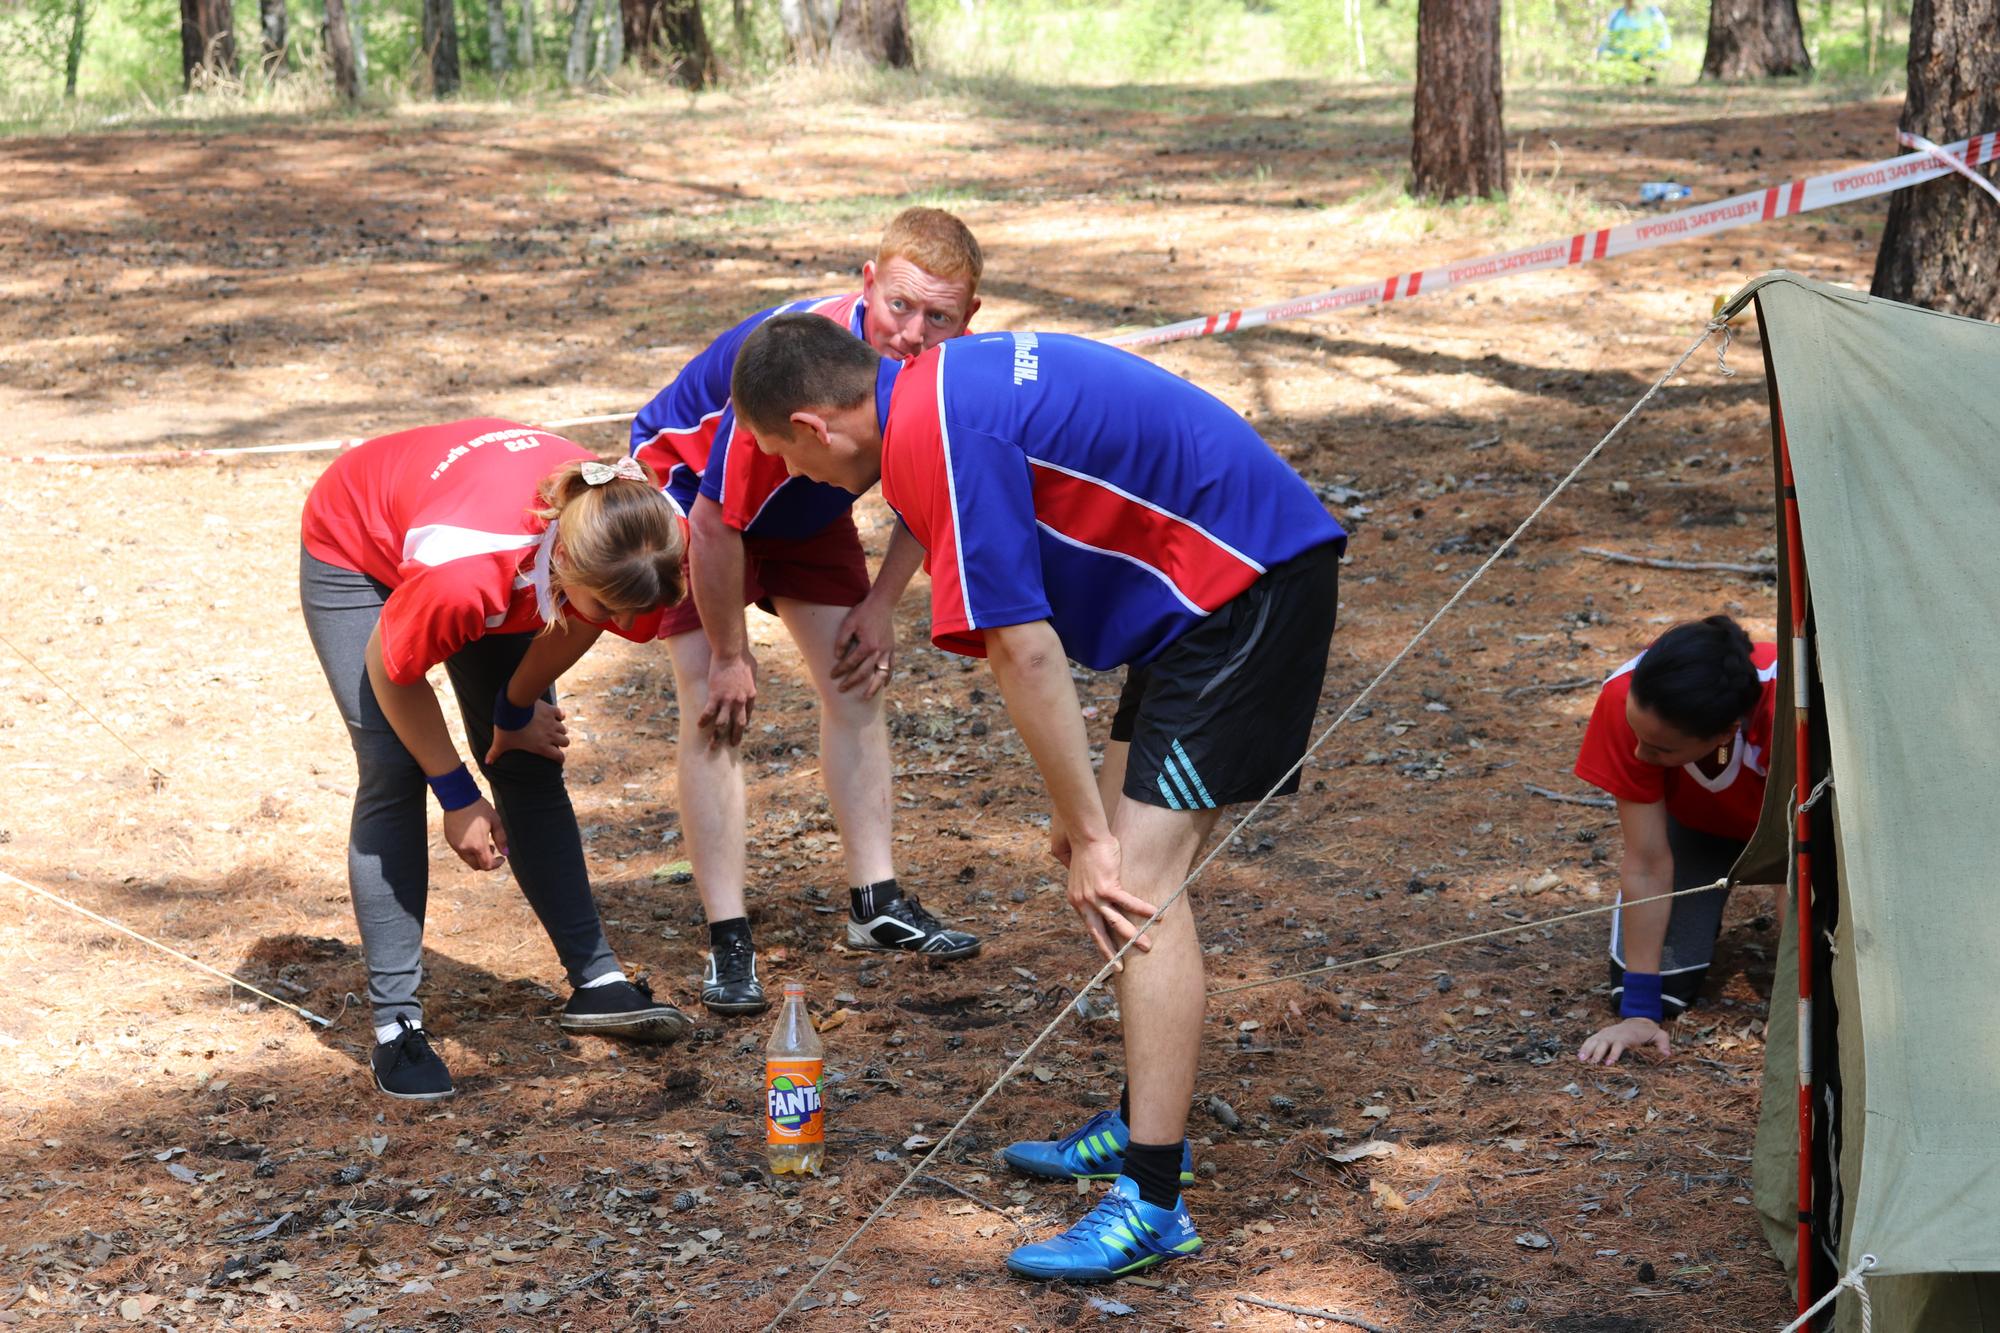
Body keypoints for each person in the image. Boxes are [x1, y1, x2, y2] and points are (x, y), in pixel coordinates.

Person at [728, 316, 1347, 1284]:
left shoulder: (934, 435)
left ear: (813, 425)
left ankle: (1153, 1199)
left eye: (779, 453)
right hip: (1194, 598)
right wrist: (1079, 811)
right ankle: (1142, 1121)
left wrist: (1094, 832)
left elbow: (1024, 651)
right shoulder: (928, 395)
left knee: (1135, 887)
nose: (790, 474)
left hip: (1241, 590)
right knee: (1111, 866)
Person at [628, 207, 986, 1018]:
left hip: (806, 498)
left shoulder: (948, 370)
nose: (913, 334)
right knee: (714, 705)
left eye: (939, 317)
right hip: (691, 496)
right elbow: (717, 523)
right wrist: (730, 653)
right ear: (868, 283)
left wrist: (881, 603)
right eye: (900, 305)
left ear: (970, 316)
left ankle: (875, 902)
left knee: (856, 679)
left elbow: (933, 483)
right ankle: (728, 936)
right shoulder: (802, 364)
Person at [301, 419, 695, 1101]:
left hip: (488, 535)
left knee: (529, 760)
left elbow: (590, 617)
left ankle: (597, 980)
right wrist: (457, 795)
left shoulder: (648, 537)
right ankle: (397, 1026)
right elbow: (393, 673)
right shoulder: (466, 574)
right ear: (565, 564)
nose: (629, 626)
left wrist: (512, 713)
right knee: (395, 767)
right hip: (359, 540)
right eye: (610, 605)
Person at [1573, 615, 1778, 1067]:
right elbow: (1646, 861)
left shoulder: (1788, 713)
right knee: (1658, 990)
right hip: (1696, 832)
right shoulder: (1624, 699)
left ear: (1726, 733)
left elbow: (1799, 866)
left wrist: (1796, 1008)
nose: (1639, 754)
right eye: (1637, 735)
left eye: (1661, 750)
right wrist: (1639, 1015)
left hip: (1790, 843)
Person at [1596, 0, 1671, 73]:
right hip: (1620, 65)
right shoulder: (1617, 14)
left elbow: (1664, 40)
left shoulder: (1653, 13)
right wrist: (1603, 60)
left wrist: (1660, 61)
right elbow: (1606, 41)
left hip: (1648, 67)